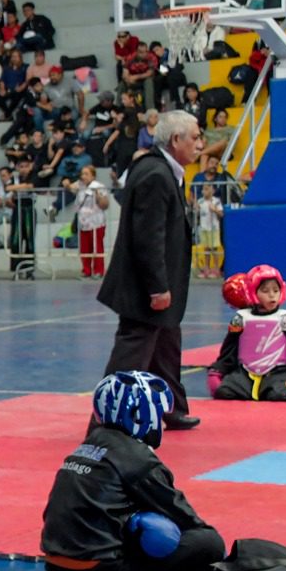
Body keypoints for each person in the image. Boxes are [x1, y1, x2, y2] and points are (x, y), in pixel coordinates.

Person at [41, 372, 225, 571]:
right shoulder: (138, 458)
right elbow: (186, 519)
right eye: (157, 413)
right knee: (208, 542)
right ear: (141, 415)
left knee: (143, 525)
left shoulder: (87, 446)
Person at [99, 110, 200, 429]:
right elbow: (148, 237)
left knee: (167, 343)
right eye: (195, 137)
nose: (200, 144)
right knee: (133, 351)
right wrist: (157, 287)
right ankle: (106, 421)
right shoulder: (155, 174)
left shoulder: (165, 170)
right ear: (176, 139)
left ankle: (169, 406)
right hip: (144, 286)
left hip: (160, 280)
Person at [207, 265, 286, 402]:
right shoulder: (241, 319)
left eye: (276, 290)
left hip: (277, 372)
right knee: (224, 392)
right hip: (245, 373)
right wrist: (216, 371)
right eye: (265, 291)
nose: (272, 295)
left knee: (277, 395)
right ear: (253, 292)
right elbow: (229, 350)